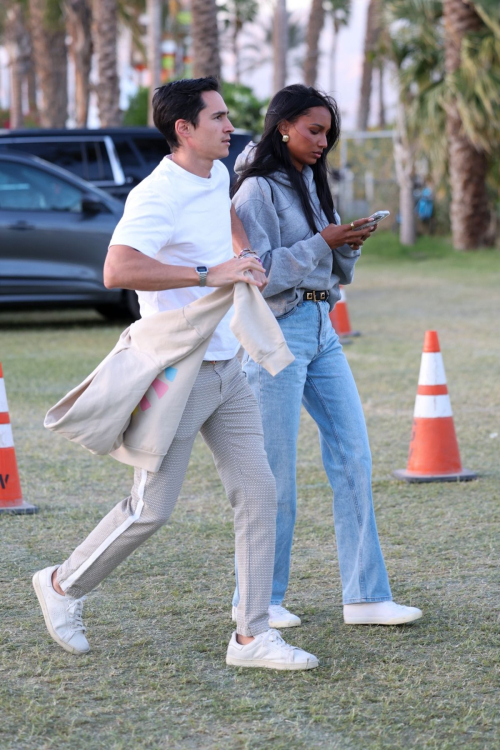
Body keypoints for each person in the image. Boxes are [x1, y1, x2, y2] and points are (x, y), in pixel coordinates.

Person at [32, 77, 319, 671]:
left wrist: (240, 258)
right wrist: (207, 272)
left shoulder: (215, 175)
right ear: (183, 129)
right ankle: (61, 585)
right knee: (152, 509)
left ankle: (251, 637)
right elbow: (117, 268)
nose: (229, 125)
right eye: (216, 117)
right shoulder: (155, 194)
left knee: (258, 492)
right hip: (176, 371)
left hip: (227, 367)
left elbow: (226, 223)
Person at [231, 84, 422, 628]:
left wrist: (345, 248)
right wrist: (323, 242)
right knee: (274, 473)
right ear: (283, 126)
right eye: (314, 130)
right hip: (278, 331)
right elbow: (258, 272)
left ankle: (365, 596)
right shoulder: (254, 193)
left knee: (354, 457)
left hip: (323, 325)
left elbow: (328, 270)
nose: (322, 142)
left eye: (327, 134)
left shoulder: (313, 184)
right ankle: (260, 602)